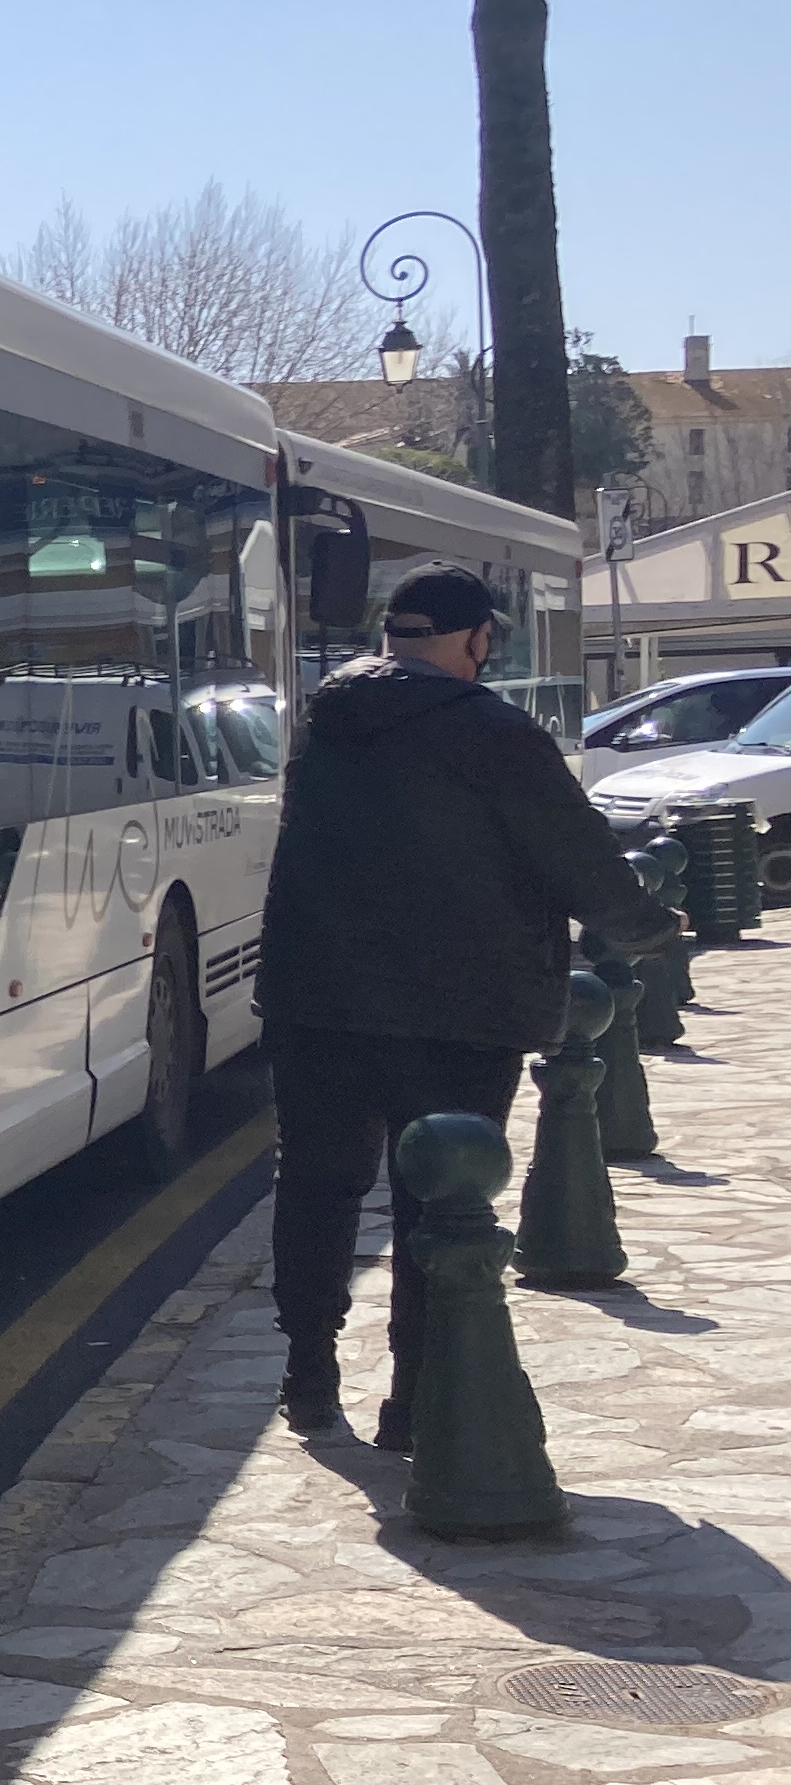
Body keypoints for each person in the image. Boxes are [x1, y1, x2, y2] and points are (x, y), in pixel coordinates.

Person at [258, 561, 679, 1446]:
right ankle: (416, 1397)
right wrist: (645, 928)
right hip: (459, 1004)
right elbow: (575, 854)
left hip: (318, 999)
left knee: (318, 1185)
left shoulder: (325, 720)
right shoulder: (493, 729)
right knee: (439, 1201)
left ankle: (307, 1370)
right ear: (479, 639)